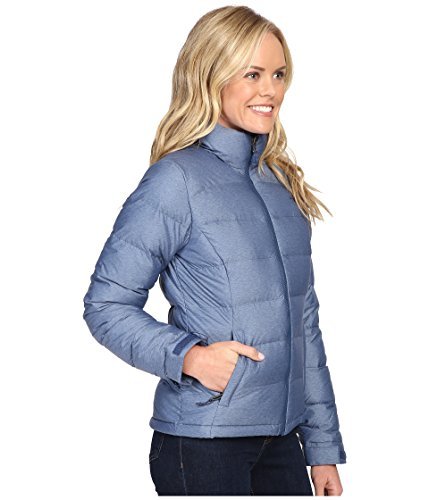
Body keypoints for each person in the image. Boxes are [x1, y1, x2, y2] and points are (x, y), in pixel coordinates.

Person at [82, 5, 347, 496]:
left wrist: (323, 446)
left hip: (282, 441)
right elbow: (106, 305)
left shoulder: (281, 185)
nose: (270, 90)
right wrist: (190, 357)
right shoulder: (175, 180)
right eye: (252, 74)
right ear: (210, 74)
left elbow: (304, 324)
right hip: (203, 443)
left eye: (278, 74)